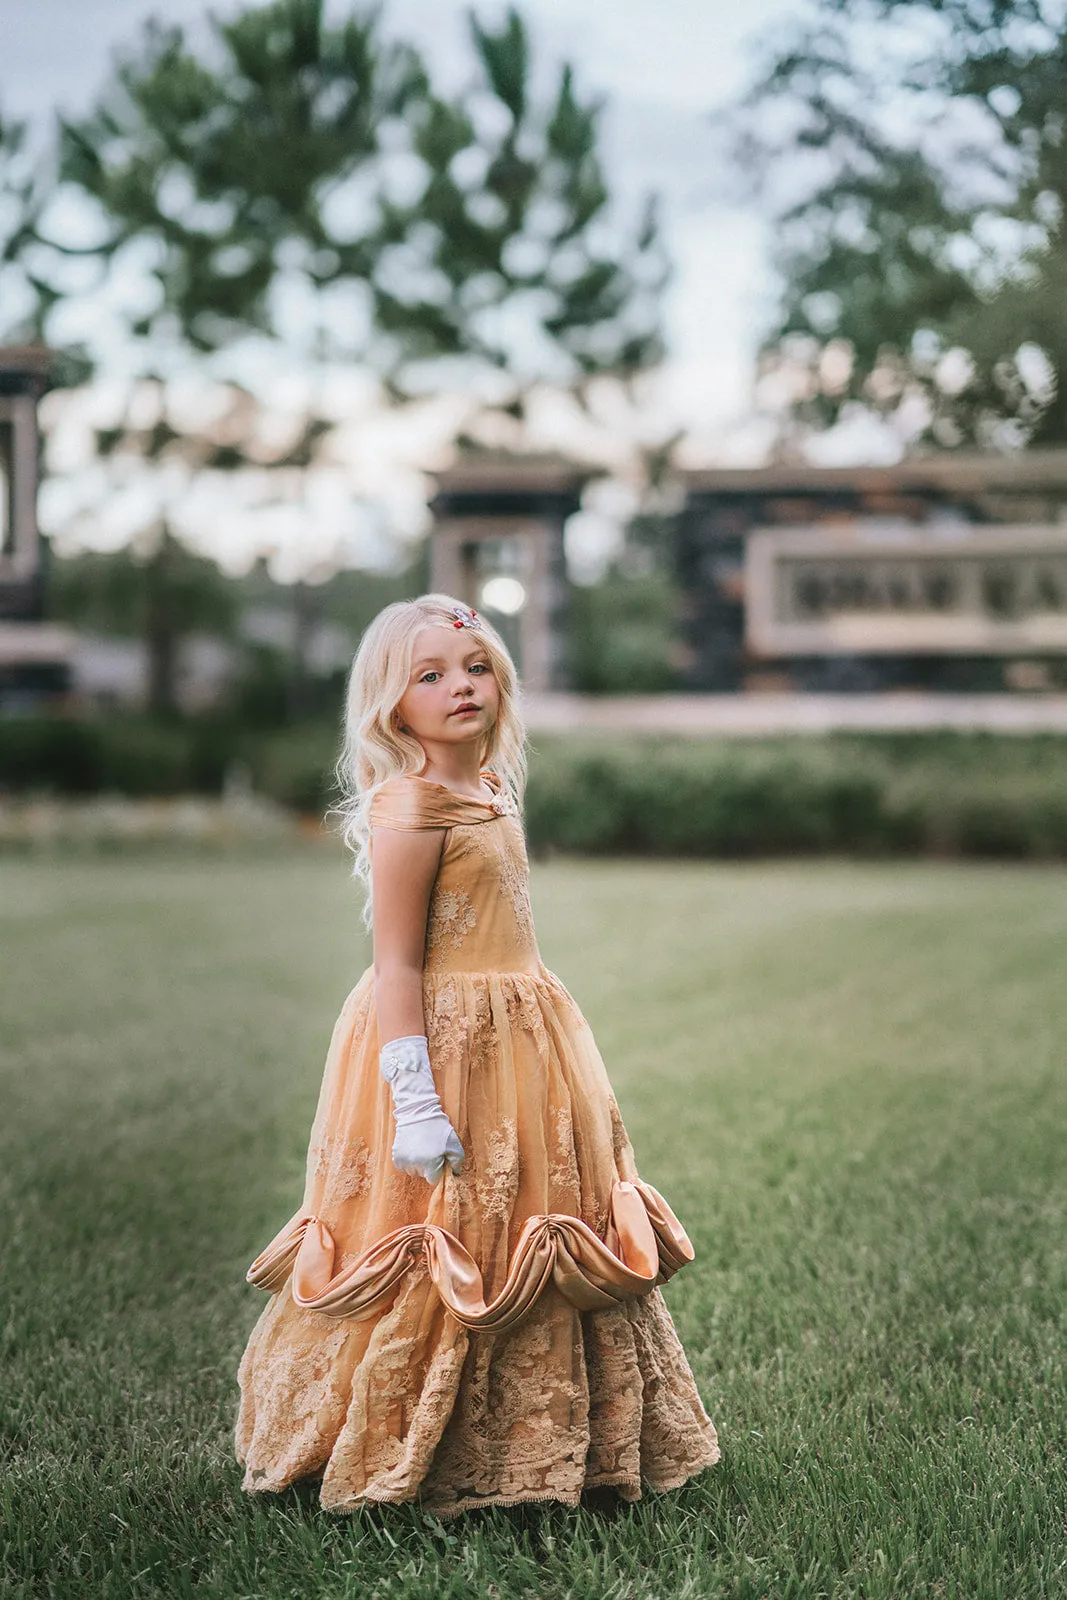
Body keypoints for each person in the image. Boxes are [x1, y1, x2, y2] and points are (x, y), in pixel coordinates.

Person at [234, 594, 720, 1518]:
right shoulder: (409, 804)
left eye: (475, 666)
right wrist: (414, 1098)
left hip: (523, 1032)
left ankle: (536, 1447)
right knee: (445, 1225)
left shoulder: (488, 789)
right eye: (430, 675)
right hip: (439, 1042)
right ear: (391, 702)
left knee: (526, 1209)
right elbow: (398, 962)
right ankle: (402, 1441)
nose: (460, 686)